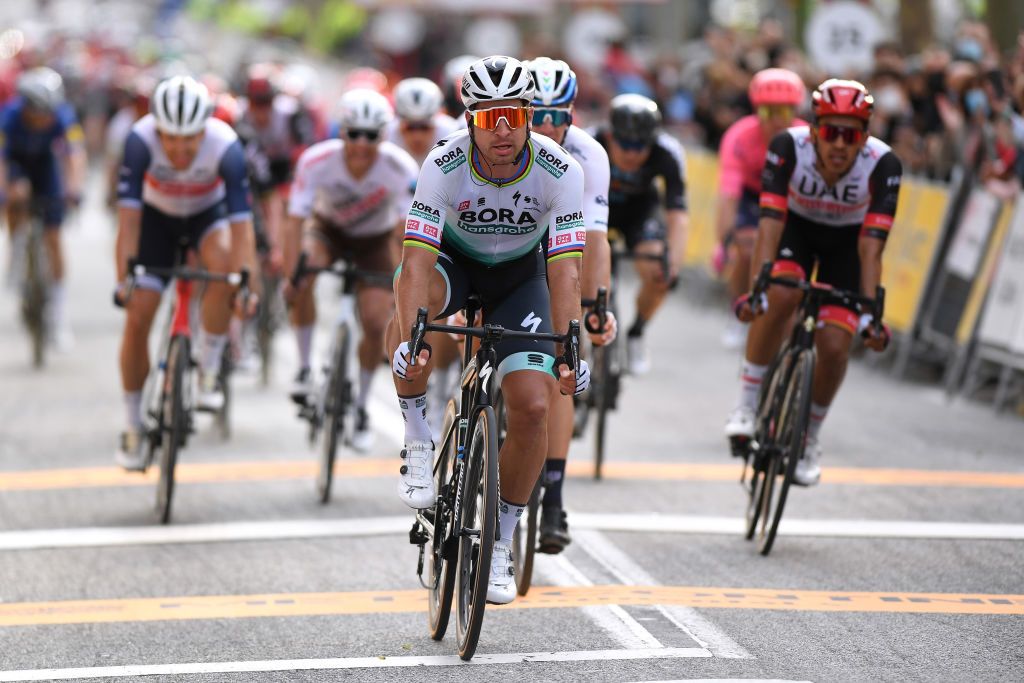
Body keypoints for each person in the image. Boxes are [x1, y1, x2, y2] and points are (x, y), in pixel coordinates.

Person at [386, 56, 589, 605]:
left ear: (528, 115)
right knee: (411, 303)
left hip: (522, 278)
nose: (501, 129)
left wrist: (572, 343)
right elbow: (418, 261)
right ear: (469, 121)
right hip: (455, 263)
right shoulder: (443, 162)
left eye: (512, 116)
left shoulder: (561, 170)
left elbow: (566, 270)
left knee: (533, 406)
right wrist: (414, 339)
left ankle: (500, 543)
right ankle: (419, 437)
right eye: (486, 118)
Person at [726, 79, 901, 486]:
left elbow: (872, 248)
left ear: (866, 137)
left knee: (837, 345)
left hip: (848, 244)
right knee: (782, 294)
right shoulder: (788, 146)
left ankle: (808, 438)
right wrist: (758, 290)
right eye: (831, 132)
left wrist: (872, 315)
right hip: (795, 232)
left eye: (851, 134)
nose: (839, 144)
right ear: (814, 129)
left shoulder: (883, 164)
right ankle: (747, 404)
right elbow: (769, 226)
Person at [113, 76, 256, 469]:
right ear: (156, 129)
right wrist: (124, 278)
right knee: (138, 315)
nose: (179, 148)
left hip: (205, 218)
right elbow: (128, 221)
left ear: (204, 129)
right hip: (156, 221)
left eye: (189, 138)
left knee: (225, 267)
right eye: (170, 138)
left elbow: (242, 227)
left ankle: (209, 364)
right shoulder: (139, 140)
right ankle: (132, 425)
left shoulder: (225, 146)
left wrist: (245, 282)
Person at [283, 89, 418, 454]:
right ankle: (304, 367)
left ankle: (359, 406)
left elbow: (406, 233)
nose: (361, 144)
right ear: (341, 131)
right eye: (353, 133)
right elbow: (295, 221)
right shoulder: (316, 161)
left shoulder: (400, 167)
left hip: (374, 240)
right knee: (305, 271)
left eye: (371, 135)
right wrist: (291, 276)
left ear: (383, 135)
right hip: (328, 231)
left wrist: (402, 284)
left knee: (376, 322)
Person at [525, 56, 614, 555]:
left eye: (558, 117)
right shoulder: (484, 137)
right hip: (492, 246)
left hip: (557, 249)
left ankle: (553, 495)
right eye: (536, 114)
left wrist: (595, 305)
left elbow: (593, 242)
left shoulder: (588, 156)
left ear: (572, 118)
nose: (546, 127)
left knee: (564, 353)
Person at [590, 94, 688, 375]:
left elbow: (678, 213)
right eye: (625, 144)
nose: (632, 153)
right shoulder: (589, 142)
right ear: (610, 136)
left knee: (659, 271)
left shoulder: (668, 152)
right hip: (597, 207)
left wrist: (673, 264)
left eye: (640, 145)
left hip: (639, 212)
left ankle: (637, 332)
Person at [717, 68, 807, 349]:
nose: (778, 122)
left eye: (785, 113)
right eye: (769, 113)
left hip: (791, 197)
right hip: (751, 196)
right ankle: (740, 310)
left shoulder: (806, 139)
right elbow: (728, 195)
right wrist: (724, 242)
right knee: (746, 249)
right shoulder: (740, 137)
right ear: (757, 111)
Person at [0, 66, 86, 350]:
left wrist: (74, 190)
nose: (44, 119)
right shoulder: (9, 118)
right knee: (17, 197)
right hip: (17, 165)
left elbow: (75, 154)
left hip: (46, 168)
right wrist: (5, 192)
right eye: (39, 114)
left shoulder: (63, 116)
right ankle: (17, 248)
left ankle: (58, 317)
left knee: (53, 237)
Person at [388, 78, 460, 165]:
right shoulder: (385, 136)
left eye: (425, 127)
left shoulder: (453, 134)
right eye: (410, 128)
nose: (417, 137)